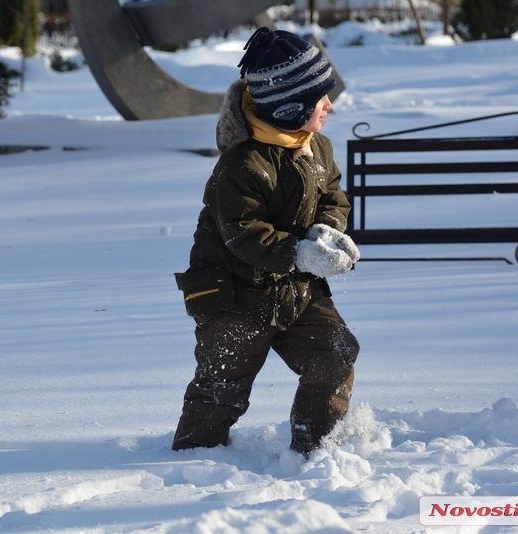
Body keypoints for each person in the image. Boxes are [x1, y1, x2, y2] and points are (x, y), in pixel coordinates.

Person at [172, 27, 361, 457]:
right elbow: (243, 231)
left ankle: (314, 446)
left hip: (295, 290)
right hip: (234, 296)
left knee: (336, 354)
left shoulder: (317, 147)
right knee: (223, 387)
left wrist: (325, 231)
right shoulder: (243, 165)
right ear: (290, 106)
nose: (329, 104)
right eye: (319, 96)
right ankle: (192, 460)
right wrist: (298, 252)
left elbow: (334, 195)